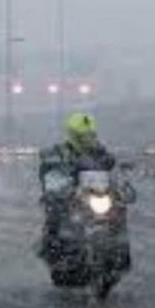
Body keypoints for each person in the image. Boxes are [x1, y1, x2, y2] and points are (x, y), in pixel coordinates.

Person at [37, 112, 116, 264]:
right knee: (55, 211)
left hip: (95, 193)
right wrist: (56, 184)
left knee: (118, 207)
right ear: (73, 136)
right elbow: (48, 169)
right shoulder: (60, 151)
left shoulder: (99, 151)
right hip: (70, 193)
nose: (88, 139)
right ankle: (51, 248)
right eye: (82, 136)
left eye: (90, 135)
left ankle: (118, 245)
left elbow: (110, 163)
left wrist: (115, 173)